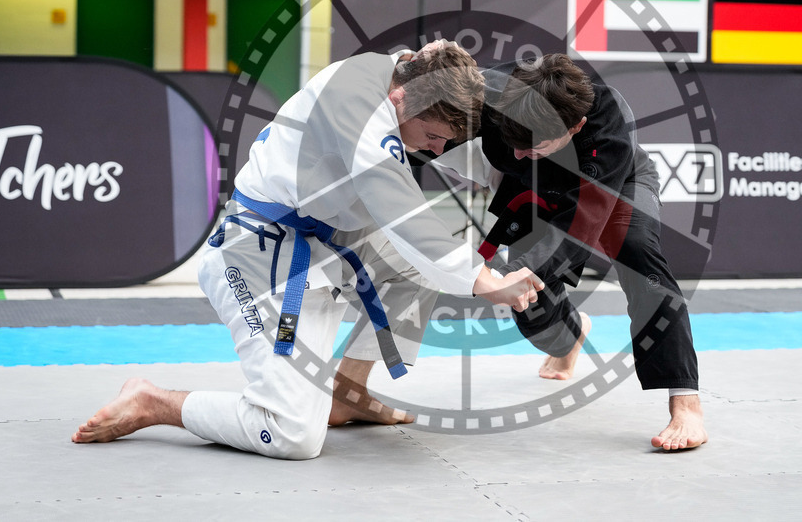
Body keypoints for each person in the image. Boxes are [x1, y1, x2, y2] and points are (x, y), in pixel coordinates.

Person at [71, 40, 544, 460]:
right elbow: (404, 215)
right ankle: (154, 401)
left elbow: (453, 128)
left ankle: (349, 392)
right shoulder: (357, 104)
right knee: (292, 435)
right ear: (400, 100)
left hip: (329, 242)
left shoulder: (408, 75)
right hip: (258, 256)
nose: (437, 150)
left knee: (416, 271)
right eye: (435, 137)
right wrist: (486, 283)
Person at [339, 53, 707, 451]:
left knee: (639, 256)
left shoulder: (607, 121)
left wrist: (521, 272)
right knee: (533, 312)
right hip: (531, 187)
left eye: (533, 144)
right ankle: (570, 336)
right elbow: (421, 87)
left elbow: (583, 219)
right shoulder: (490, 94)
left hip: (617, 188)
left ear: (576, 127)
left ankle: (685, 402)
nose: (515, 152)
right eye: (513, 143)